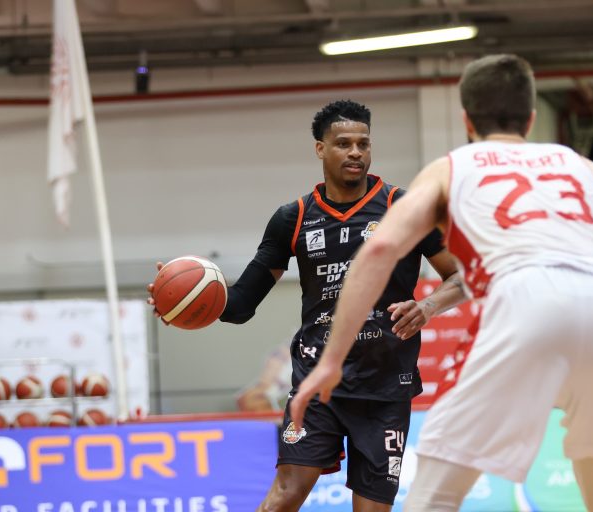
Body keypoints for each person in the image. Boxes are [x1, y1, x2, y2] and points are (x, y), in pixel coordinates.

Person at [290, 55, 593, 512]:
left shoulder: (451, 167)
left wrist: (332, 360)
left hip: (526, 299)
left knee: (434, 496)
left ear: (467, 120)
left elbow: (379, 251)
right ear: (530, 119)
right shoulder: (578, 165)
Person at [148, 99, 462, 512]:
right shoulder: (292, 218)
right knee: (285, 495)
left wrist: (429, 306)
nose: (355, 152)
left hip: (385, 385)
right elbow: (240, 305)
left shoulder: (404, 208)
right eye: (344, 143)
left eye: (364, 144)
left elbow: (461, 276)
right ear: (320, 148)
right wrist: (185, 300)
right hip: (318, 382)